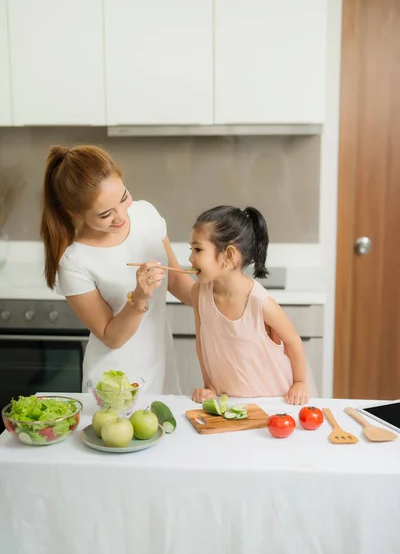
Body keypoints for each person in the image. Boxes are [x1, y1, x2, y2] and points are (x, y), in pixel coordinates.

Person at [40, 144, 193, 394]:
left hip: (161, 367)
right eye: (105, 214)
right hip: (114, 383)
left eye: (123, 198)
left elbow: (176, 281)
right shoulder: (74, 261)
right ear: (74, 213)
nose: (122, 216)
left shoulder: (146, 215)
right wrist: (139, 297)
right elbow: (112, 337)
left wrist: (225, 299)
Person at [189, 205, 317, 405]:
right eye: (192, 249)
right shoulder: (198, 293)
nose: (190, 258)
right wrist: (210, 387)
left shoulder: (260, 303)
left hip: (272, 401)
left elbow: (294, 343)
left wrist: (300, 382)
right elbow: (202, 345)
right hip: (228, 401)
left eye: (198, 249)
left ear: (229, 255)